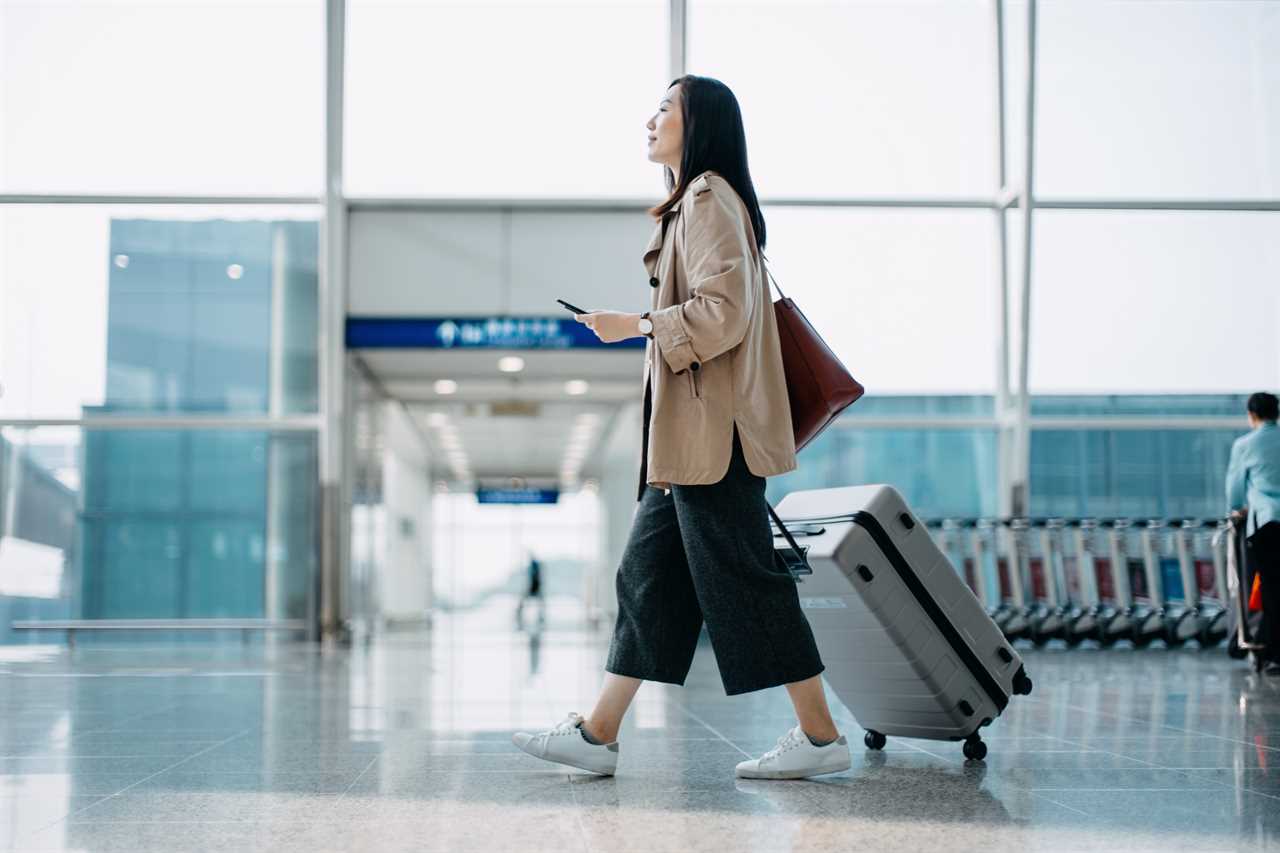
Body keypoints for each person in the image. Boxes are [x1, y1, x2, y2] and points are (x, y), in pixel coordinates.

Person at [512, 75, 849, 780]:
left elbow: (723, 313)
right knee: (647, 577)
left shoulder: (706, 198)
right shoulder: (691, 205)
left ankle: (821, 738)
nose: (650, 118)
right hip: (687, 444)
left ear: (699, 123)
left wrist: (631, 325)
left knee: (745, 580)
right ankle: (597, 732)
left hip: (711, 440)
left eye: (665, 108)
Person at [1226, 391, 1280, 675]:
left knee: (1270, 587)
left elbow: (1235, 490)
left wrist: (1236, 509)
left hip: (1267, 522)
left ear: (1252, 415)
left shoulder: (1245, 445)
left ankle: (1272, 652)